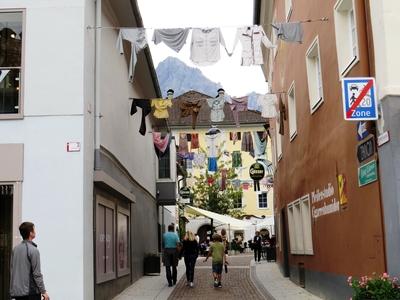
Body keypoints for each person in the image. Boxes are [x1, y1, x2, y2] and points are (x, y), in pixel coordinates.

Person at [10, 222, 49, 300]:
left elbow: (12, 270)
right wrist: (44, 292)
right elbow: (37, 274)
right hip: (31, 293)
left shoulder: (15, 249)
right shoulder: (33, 250)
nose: (35, 232)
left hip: (18, 293)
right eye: (34, 230)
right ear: (31, 233)